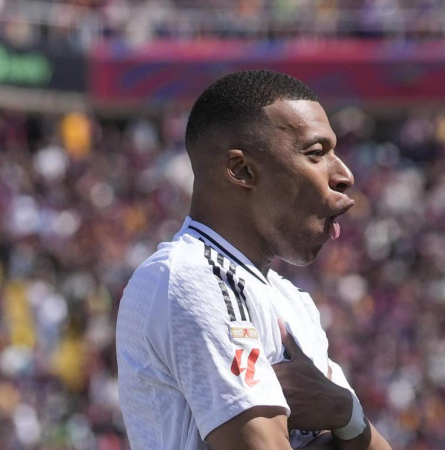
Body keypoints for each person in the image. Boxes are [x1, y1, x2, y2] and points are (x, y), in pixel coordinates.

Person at [116, 70, 391, 450]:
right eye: (316, 153)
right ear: (241, 170)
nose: (344, 174)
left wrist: (345, 412)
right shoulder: (187, 277)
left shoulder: (292, 301)